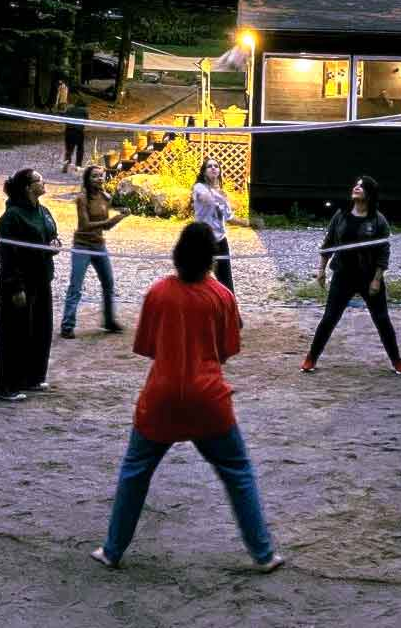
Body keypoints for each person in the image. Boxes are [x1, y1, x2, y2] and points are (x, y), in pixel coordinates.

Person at [90, 222, 283, 573]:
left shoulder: (158, 292)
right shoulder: (223, 296)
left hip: (161, 398)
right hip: (208, 399)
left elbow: (147, 348)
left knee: (134, 473)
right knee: (238, 472)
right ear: (211, 257)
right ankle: (264, 554)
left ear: (177, 252)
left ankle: (111, 550)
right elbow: (227, 351)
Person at [300, 175, 401, 376]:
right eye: (356, 185)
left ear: (370, 193)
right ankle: (311, 358)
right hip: (343, 275)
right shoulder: (340, 215)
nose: (356, 188)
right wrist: (321, 270)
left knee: (382, 319)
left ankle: (397, 361)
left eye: (362, 186)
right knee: (329, 318)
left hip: (369, 277)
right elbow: (329, 243)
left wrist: (377, 279)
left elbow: (383, 252)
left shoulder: (378, 220)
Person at [0, 168, 61, 402]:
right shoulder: (12, 217)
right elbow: (6, 254)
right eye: (39, 180)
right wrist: (15, 287)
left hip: (42, 279)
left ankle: (32, 378)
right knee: (15, 334)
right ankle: (7, 387)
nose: (44, 182)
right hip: (19, 283)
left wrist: (54, 244)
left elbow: (51, 235)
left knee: (40, 330)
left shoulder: (43, 211)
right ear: (27, 187)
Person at [60, 165, 127, 338]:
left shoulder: (106, 197)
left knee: (108, 283)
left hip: (99, 245)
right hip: (82, 245)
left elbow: (109, 226)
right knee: (76, 285)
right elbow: (85, 225)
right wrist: (109, 222)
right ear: (87, 180)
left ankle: (109, 321)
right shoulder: (82, 199)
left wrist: (121, 215)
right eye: (95, 176)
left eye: (101, 176)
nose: (99, 179)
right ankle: (67, 325)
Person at [191, 156, 247, 297]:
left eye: (216, 166)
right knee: (196, 281)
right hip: (202, 241)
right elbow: (206, 199)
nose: (213, 168)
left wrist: (247, 223)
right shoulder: (199, 187)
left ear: (219, 171)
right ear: (204, 172)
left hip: (220, 241)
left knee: (226, 284)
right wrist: (220, 196)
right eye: (209, 166)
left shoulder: (222, 193)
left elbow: (229, 217)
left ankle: (232, 316)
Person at [62, 97, 89, 174]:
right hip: (78, 132)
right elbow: (86, 120)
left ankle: (66, 166)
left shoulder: (69, 109)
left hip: (69, 131)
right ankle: (78, 166)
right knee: (80, 150)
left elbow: (65, 118)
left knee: (69, 150)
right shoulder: (84, 110)